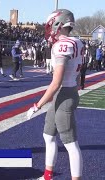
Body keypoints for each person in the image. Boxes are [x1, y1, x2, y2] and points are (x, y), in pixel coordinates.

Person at [26, 9, 84, 180]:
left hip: (63, 93)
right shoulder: (77, 42)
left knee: (71, 143)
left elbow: (56, 83)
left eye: (52, 25)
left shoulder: (62, 45)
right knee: (48, 135)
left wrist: (37, 105)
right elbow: (77, 73)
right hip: (68, 90)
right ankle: (47, 176)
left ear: (59, 24)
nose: (50, 29)